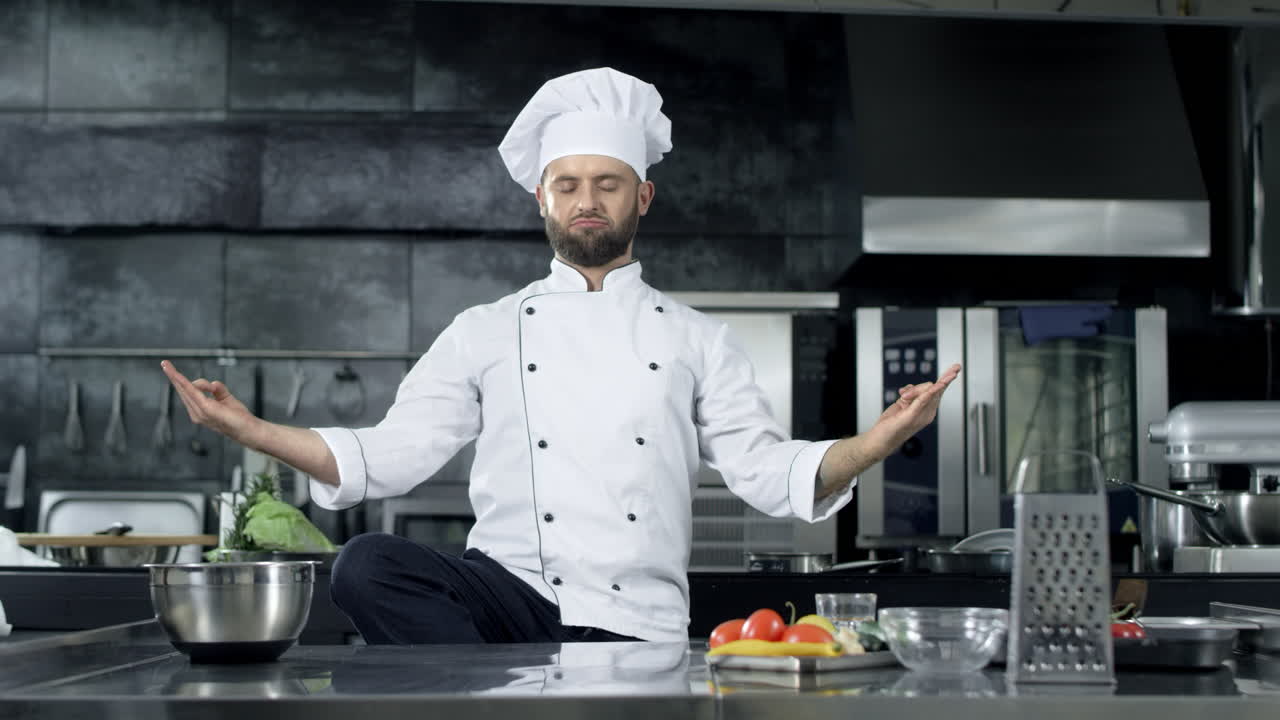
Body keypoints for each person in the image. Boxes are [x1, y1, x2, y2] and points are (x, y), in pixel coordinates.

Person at [161, 67, 960, 645]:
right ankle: (485, 700)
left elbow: (765, 472)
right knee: (367, 564)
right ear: (540, 197)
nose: (587, 201)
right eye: (568, 183)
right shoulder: (485, 328)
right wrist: (255, 431)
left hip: (632, 620)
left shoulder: (695, 337)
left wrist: (874, 444)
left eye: (607, 184)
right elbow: (389, 456)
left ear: (641, 197)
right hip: (505, 598)